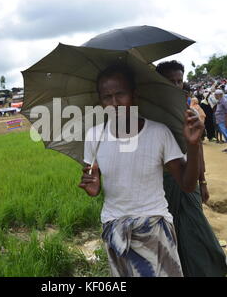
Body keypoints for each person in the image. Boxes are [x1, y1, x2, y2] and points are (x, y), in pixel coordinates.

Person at [79, 64, 205, 277]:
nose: (114, 103)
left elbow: (186, 184)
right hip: (115, 230)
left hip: (155, 229)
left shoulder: (158, 132)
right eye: (106, 97)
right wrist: (94, 187)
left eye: (121, 94)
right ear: (100, 101)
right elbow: (96, 180)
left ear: (134, 95)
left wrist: (193, 146)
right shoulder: (94, 136)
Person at [156, 63, 227, 277]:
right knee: (170, 235)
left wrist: (203, 182)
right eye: (170, 81)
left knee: (195, 230)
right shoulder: (151, 114)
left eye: (179, 80)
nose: (176, 85)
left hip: (189, 182)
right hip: (163, 184)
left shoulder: (189, 111)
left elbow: (197, 148)